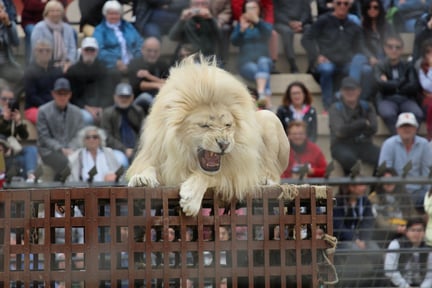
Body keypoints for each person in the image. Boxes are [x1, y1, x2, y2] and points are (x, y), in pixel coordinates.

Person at [301, 0, 367, 112]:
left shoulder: (353, 26)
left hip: (346, 63)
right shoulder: (324, 20)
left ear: (350, 6)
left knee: (366, 70)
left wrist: (356, 59)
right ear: (333, 4)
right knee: (327, 69)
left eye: (346, 3)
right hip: (327, 62)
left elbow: (360, 47)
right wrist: (316, 56)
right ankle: (328, 106)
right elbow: (306, 39)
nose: (342, 6)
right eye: (339, 3)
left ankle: (356, 103)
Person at [379, 112, 432, 212]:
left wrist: (429, 194)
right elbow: (385, 173)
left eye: (410, 126)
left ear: (416, 128)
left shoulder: (424, 144)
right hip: (395, 192)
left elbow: (427, 171)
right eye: (403, 126)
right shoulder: (388, 144)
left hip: (418, 192)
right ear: (397, 129)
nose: (406, 129)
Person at [328, 76, 380, 175]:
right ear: (341, 91)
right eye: (347, 89)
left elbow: (373, 128)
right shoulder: (335, 108)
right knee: (349, 160)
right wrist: (362, 123)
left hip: (363, 143)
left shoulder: (367, 106)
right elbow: (340, 132)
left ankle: (375, 187)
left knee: (383, 156)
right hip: (341, 145)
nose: (350, 92)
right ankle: (351, 188)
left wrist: (350, 128)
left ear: (359, 91)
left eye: (353, 89)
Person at [374, 34, 424, 135]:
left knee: (417, 113)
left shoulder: (408, 65)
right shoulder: (380, 66)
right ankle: (400, 140)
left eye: (397, 47)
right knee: (388, 114)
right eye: (390, 47)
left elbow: (413, 86)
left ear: (402, 49)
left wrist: (390, 84)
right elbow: (380, 85)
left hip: (406, 99)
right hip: (386, 98)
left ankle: (410, 139)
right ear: (385, 48)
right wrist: (402, 81)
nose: (394, 50)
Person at [333, 182, 381, 286]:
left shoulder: (365, 201)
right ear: (351, 187)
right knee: (354, 250)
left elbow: (368, 221)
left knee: (376, 250)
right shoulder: (338, 201)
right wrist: (354, 239)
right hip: (343, 240)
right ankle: (350, 283)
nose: (364, 187)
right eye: (361, 185)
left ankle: (375, 282)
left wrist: (363, 239)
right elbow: (338, 225)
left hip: (362, 239)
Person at [37, 78, 84, 181]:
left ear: (70, 95)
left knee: (85, 158)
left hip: (72, 149)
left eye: (65, 93)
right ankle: (61, 191)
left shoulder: (77, 112)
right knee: (64, 162)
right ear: (53, 94)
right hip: (49, 151)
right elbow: (44, 137)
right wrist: (61, 149)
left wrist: (71, 148)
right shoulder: (43, 111)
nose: (62, 97)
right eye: (59, 93)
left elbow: (79, 135)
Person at [230, 0, 273, 107]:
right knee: (259, 72)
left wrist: (258, 22)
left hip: (263, 59)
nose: (251, 11)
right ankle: (265, 98)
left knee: (263, 62)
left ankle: (261, 93)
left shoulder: (263, 24)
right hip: (246, 62)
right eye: (248, 8)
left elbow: (268, 34)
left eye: (254, 8)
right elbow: (234, 41)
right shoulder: (241, 25)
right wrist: (241, 30)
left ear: (259, 10)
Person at [66, 37, 113, 125]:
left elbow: (108, 92)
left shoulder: (103, 69)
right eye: (87, 50)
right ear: (82, 50)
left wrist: (101, 108)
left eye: (92, 50)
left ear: (97, 52)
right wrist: (88, 108)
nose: (89, 52)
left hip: (101, 107)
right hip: (80, 108)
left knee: (110, 115)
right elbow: (72, 97)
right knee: (87, 118)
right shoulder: (73, 71)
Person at [93, 0, 143, 76]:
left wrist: (136, 60)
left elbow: (139, 43)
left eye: (116, 14)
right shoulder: (100, 30)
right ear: (105, 15)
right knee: (114, 74)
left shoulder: (128, 27)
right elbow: (99, 51)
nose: (113, 16)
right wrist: (115, 62)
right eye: (110, 14)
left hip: (132, 63)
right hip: (111, 66)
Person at [101, 83, 144, 168]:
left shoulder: (138, 111)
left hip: (137, 148)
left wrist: (135, 150)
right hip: (116, 149)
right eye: (121, 96)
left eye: (127, 97)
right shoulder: (107, 113)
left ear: (132, 97)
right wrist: (124, 149)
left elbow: (143, 132)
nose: (124, 99)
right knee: (121, 161)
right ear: (115, 97)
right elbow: (106, 137)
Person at [0, 86, 38, 182]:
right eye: (4, 99)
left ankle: (31, 176)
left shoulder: (14, 115)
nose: (7, 102)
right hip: (1, 150)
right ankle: (7, 178)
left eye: (11, 99)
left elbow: (24, 136)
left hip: (12, 150)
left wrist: (18, 122)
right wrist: (4, 120)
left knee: (31, 150)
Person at [368, 167, 413, 246]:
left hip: (404, 231)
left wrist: (410, 227)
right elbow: (380, 222)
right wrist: (397, 228)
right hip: (384, 234)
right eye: (386, 181)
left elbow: (412, 214)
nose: (389, 183)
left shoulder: (404, 195)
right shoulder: (374, 198)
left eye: (391, 180)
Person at [23, 39, 63, 124]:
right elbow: (32, 96)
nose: (44, 53)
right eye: (41, 50)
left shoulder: (57, 71)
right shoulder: (29, 72)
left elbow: (61, 92)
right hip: (34, 107)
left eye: (47, 50)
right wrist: (49, 108)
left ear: (51, 53)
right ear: (35, 52)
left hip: (55, 106)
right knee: (48, 118)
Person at [384, 218, 432, 288]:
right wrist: (405, 286)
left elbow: (430, 275)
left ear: (424, 233)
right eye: (413, 230)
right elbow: (389, 270)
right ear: (406, 232)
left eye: (419, 230)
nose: (416, 233)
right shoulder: (396, 244)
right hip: (398, 285)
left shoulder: (428, 248)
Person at [31, 0, 77, 72]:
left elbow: (72, 49)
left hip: (66, 65)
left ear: (62, 13)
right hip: (45, 66)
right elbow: (37, 51)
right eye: (52, 11)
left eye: (58, 11)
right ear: (46, 13)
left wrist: (68, 63)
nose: (55, 13)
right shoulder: (39, 28)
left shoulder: (68, 28)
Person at [127, 37, 170, 114]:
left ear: (159, 52)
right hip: (138, 101)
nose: (152, 54)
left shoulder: (163, 64)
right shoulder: (135, 63)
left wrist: (148, 76)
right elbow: (140, 85)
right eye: (149, 51)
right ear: (142, 50)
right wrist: (158, 85)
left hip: (159, 98)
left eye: (155, 51)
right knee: (146, 97)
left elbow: (168, 83)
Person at [273, 0, 312, 73]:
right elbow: (276, 12)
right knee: (287, 32)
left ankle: (312, 65)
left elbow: (306, 11)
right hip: (282, 23)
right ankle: (293, 65)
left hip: (301, 23)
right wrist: (289, 22)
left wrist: (300, 23)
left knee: (309, 29)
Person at [0, 0, 22, 94]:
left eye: (1, 9)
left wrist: (8, 25)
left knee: (22, 77)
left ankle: (12, 102)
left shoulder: (7, 24)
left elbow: (16, 43)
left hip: (5, 64)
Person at [417, 39, 432, 140]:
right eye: (428, 52)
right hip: (427, 100)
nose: (431, 55)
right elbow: (427, 86)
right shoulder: (421, 67)